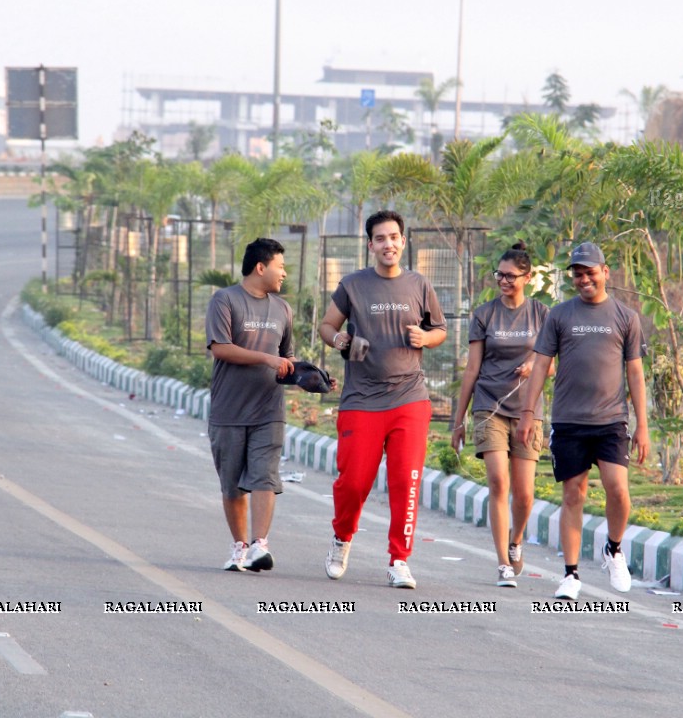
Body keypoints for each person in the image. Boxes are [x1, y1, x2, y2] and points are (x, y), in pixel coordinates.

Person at [318, 210, 447, 589]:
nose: (388, 244)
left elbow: (438, 328)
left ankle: (399, 559)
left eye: (394, 237)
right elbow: (328, 326)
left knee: (406, 483)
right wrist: (341, 340)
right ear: (370, 244)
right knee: (354, 482)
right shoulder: (353, 285)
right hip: (361, 399)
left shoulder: (419, 284)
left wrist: (426, 338)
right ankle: (342, 538)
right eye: (380, 238)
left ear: (403, 241)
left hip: (409, 398)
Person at [517, 242, 649, 600]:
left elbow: (635, 374)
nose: (584, 278)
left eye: (590, 272)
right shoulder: (559, 316)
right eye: (577, 273)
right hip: (569, 420)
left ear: (606, 273)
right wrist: (528, 413)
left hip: (611, 421)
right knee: (573, 494)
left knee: (618, 490)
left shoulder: (626, 317)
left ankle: (614, 549)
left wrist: (643, 425)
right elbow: (541, 366)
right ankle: (571, 574)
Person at [450, 241, 550, 587]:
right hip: (489, 405)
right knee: (498, 482)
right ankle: (503, 564)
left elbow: (553, 363)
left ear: (528, 277)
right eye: (499, 275)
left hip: (527, 410)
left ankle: (517, 540)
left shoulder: (542, 314)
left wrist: (534, 364)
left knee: (524, 493)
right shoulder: (484, 314)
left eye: (510, 276)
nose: (503, 281)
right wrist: (457, 419)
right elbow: (472, 369)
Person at [205, 237, 295, 573]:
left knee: (264, 476)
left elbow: (287, 358)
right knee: (231, 485)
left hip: (268, 411)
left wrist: (310, 376)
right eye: (280, 266)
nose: (284, 273)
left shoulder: (283, 309)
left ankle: (260, 545)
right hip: (228, 411)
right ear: (261, 267)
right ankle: (239, 547)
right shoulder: (224, 300)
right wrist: (267, 359)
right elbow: (220, 348)